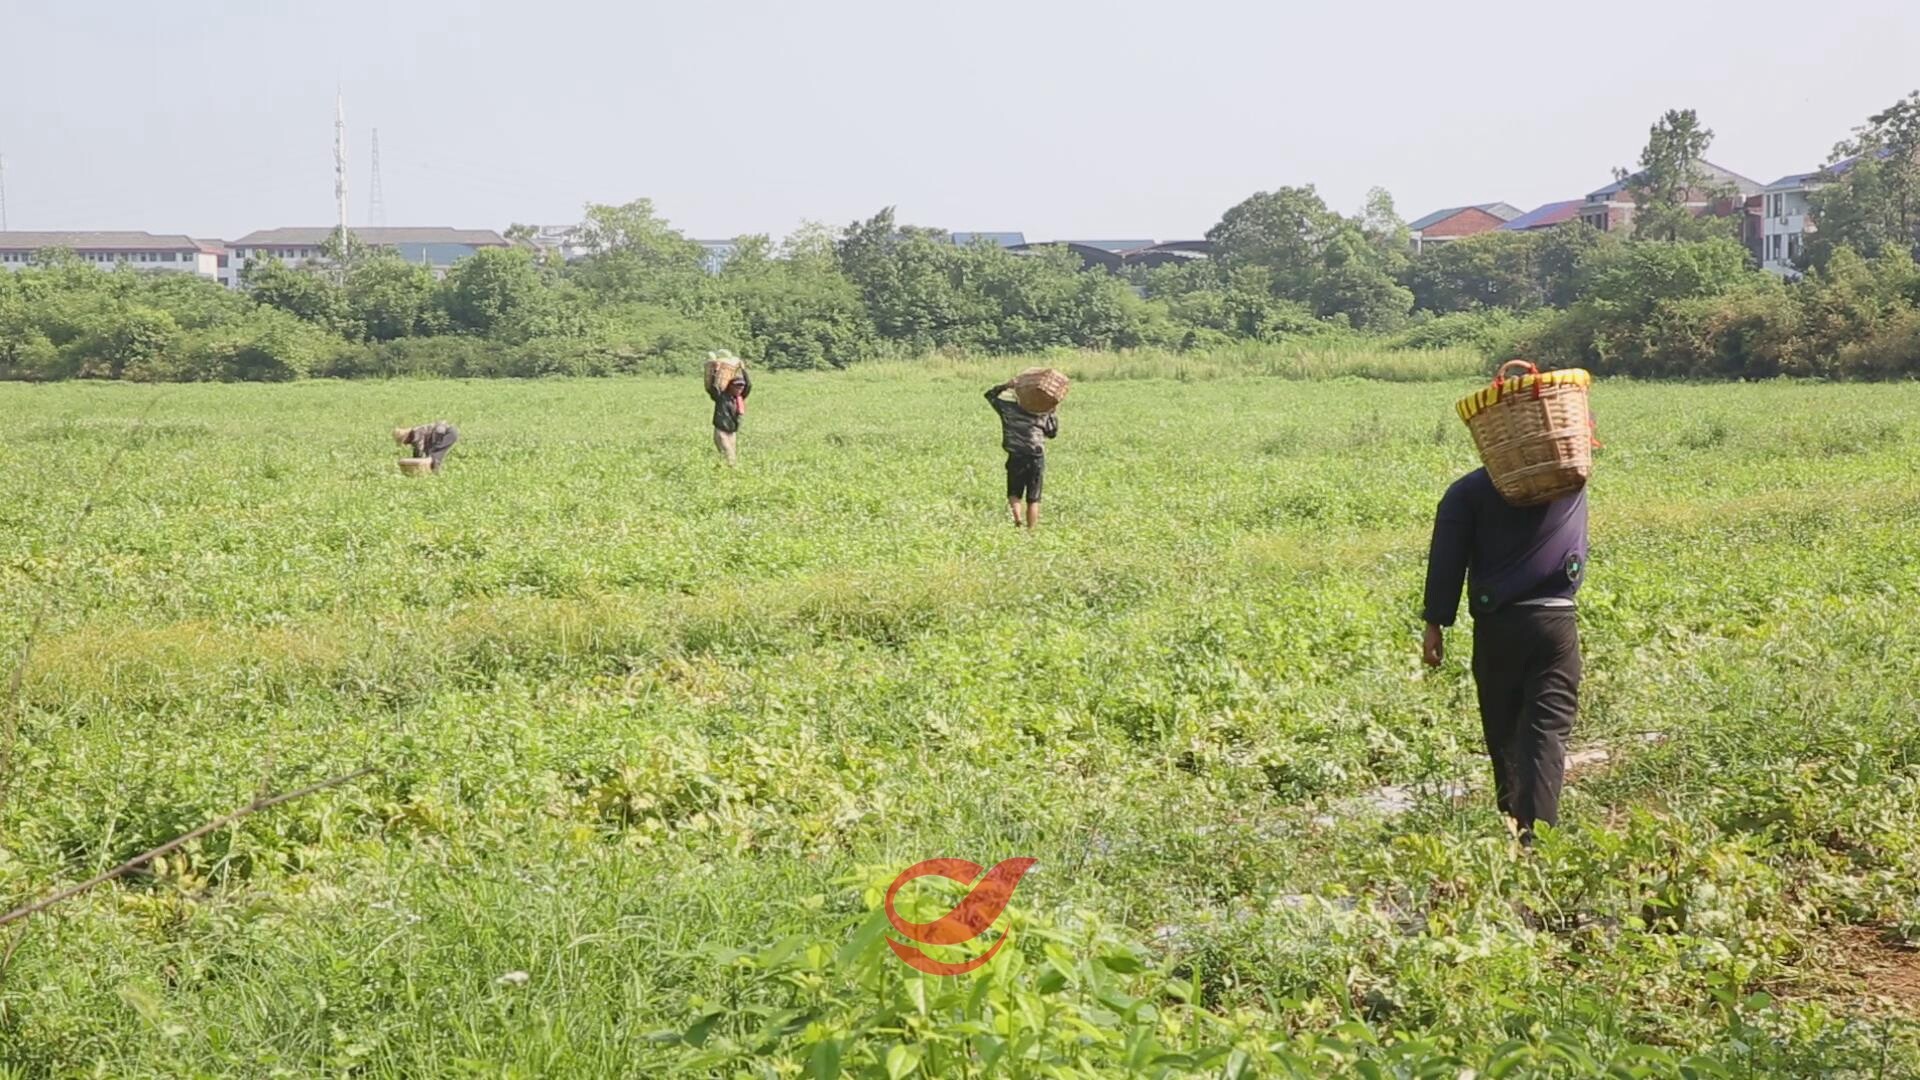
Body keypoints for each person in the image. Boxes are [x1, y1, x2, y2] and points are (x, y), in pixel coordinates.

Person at [1421, 467, 1588, 846]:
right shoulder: (1569, 480)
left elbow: (1447, 556)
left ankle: (1516, 826)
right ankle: (1536, 842)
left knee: (1505, 729)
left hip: (1498, 625)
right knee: (1546, 731)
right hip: (1556, 621)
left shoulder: (1467, 491)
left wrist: (1435, 622)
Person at [985, 381, 1058, 529]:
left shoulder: (1009, 409)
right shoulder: (1043, 411)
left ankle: (1018, 520)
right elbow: (1052, 433)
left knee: (1014, 492)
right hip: (1036, 455)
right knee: (1034, 497)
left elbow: (990, 395)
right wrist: (1052, 411)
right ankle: (1031, 531)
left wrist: (1006, 385)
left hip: (1016, 453)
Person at [707, 363, 751, 466]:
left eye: (741, 386)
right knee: (729, 456)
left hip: (732, 432)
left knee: (730, 458)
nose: (740, 388)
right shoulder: (721, 397)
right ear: (730, 386)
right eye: (737, 386)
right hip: (721, 431)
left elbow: (749, 385)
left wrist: (743, 370)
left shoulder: (739, 398)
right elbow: (713, 387)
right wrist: (715, 371)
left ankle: (719, 470)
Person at [392, 421, 459, 472]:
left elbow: (419, 451)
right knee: (433, 453)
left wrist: (414, 464)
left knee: (434, 454)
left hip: (448, 433)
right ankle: (434, 471)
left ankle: (435, 472)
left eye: (404, 442)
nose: (405, 444)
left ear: (407, 437)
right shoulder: (414, 434)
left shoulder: (415, 435)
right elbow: (419, 451)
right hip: (447, 433)